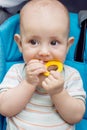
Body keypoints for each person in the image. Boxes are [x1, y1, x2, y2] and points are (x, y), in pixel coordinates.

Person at [0, 0, 86, 130]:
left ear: (67, 46)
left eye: (54, 42)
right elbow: (5, 109)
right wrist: (28, 83)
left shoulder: (71, 76)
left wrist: (58, 92)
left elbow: (76, 116)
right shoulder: (16, 72)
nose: (44, 52)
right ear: (20, 44)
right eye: (33, 42)